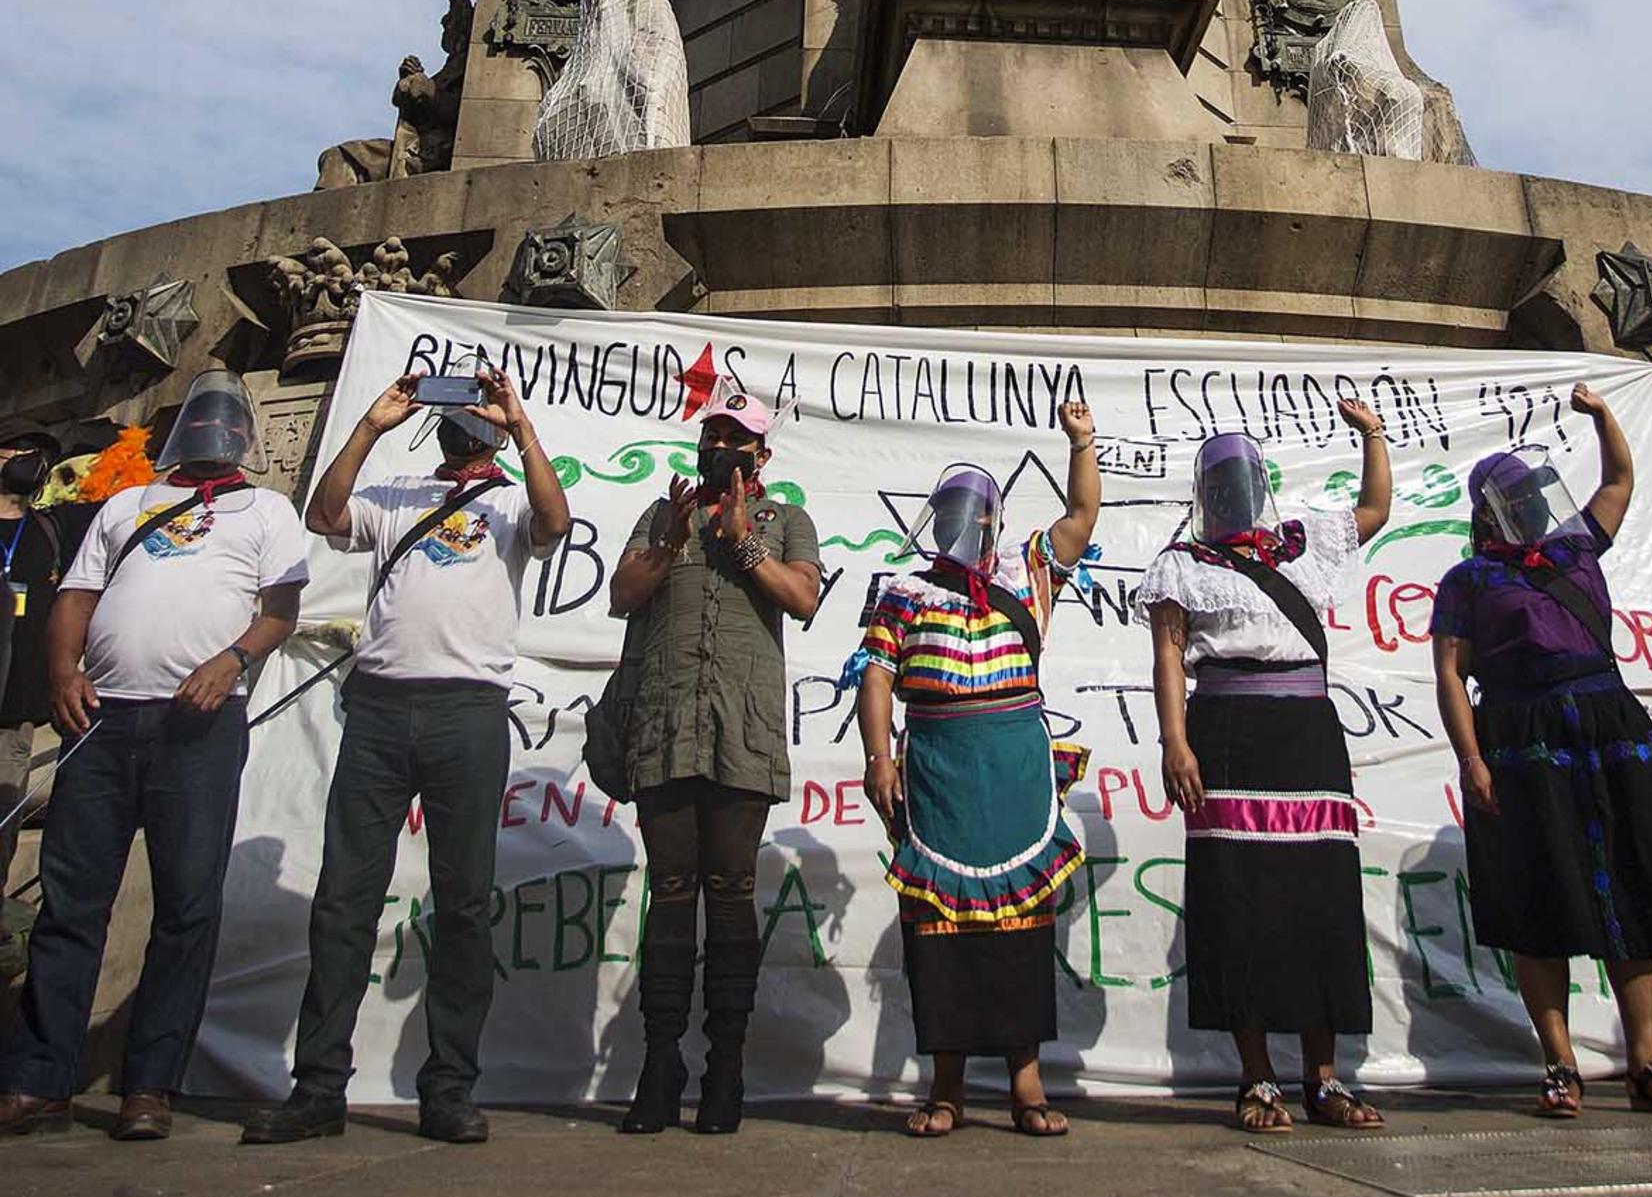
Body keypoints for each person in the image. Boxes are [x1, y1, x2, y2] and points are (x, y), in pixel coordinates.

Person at [241, 366, 569, 1147]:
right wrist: (371, 424)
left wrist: (521, 427)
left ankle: (449, 1086)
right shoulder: (397, 493)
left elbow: (556, 521)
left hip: (469, 711)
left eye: (474, 410)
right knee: (344, 899)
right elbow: (324, 515)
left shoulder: (511, 499)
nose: (464, 423)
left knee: (461, 904)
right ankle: (318, 1085)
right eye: (453, 410)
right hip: (382, 710)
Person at [0, 369, 307, 1142]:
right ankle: (41, 1078)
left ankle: (149, 1084)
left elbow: (281, 608)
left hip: (199, 727)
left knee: (187, 903)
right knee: (71, 903)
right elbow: (76, 594)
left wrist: (233, 658)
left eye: (226, 422)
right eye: (204, 419)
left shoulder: (266, 509)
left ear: (244, 437)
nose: (214, 432)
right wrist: (63, 672)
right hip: (104, 722)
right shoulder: (128, 503)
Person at [1431, 386, 1652, 1119]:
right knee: (1540, 895)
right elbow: (1448, 670)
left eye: (1531, 491)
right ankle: (1560, 1063)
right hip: (1518, 733)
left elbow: (1620, 479)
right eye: (1512, 496)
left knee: (1635, 883)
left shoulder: (1576, 545)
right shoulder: (1469, 579)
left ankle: (1647, 1062)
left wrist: (1601, 416)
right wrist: (1472, 757)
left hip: (1606, 722)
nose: (1526, 502)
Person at [1139, 405, 1389, 1132]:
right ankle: (1257, 1080)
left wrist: (1372, 433)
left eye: (1243, 479)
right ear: (1204, 494)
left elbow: (1374, 506)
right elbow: (1166, 654)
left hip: (1307, 734)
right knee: (1237, 899)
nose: (1233, 492)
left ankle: (1323, 1077)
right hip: (1225, 733)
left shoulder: (1303, 545)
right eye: (1220, 483)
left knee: (1321, 898)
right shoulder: (1180, 564)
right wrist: (1173, 741)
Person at [855, 401, 1100, 1138]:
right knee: (940, 933)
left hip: (1013, 771)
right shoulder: (902, 591)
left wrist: (1081, 441)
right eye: (950, 510)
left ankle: (1027, 1087)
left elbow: (1083, 516)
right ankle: (947, 1086)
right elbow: (875, 673)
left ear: (993, 522)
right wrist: (877, 758)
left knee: (1022, 932)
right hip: (937, 771)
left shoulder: (1029, 571)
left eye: (973, 511)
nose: (961, 523)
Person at [605, 394, 822, 1135]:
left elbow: (803, 598)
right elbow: (623, 593)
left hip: (742, 727)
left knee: (730, 888)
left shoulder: (786, 518)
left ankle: (725, 1065)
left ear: (762, 456)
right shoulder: (662, 515)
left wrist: (745, 542)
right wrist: (668, 543)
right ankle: (659, 1062)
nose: (722, 445)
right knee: (669, 889)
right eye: (713, 434)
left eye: (738, 438)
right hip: (666, 722)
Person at [0, 430, 67, 979]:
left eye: (36, 454)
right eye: (18, 450)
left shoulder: (49, 528)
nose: (30, 461)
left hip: (15, 709)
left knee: (2, 818)